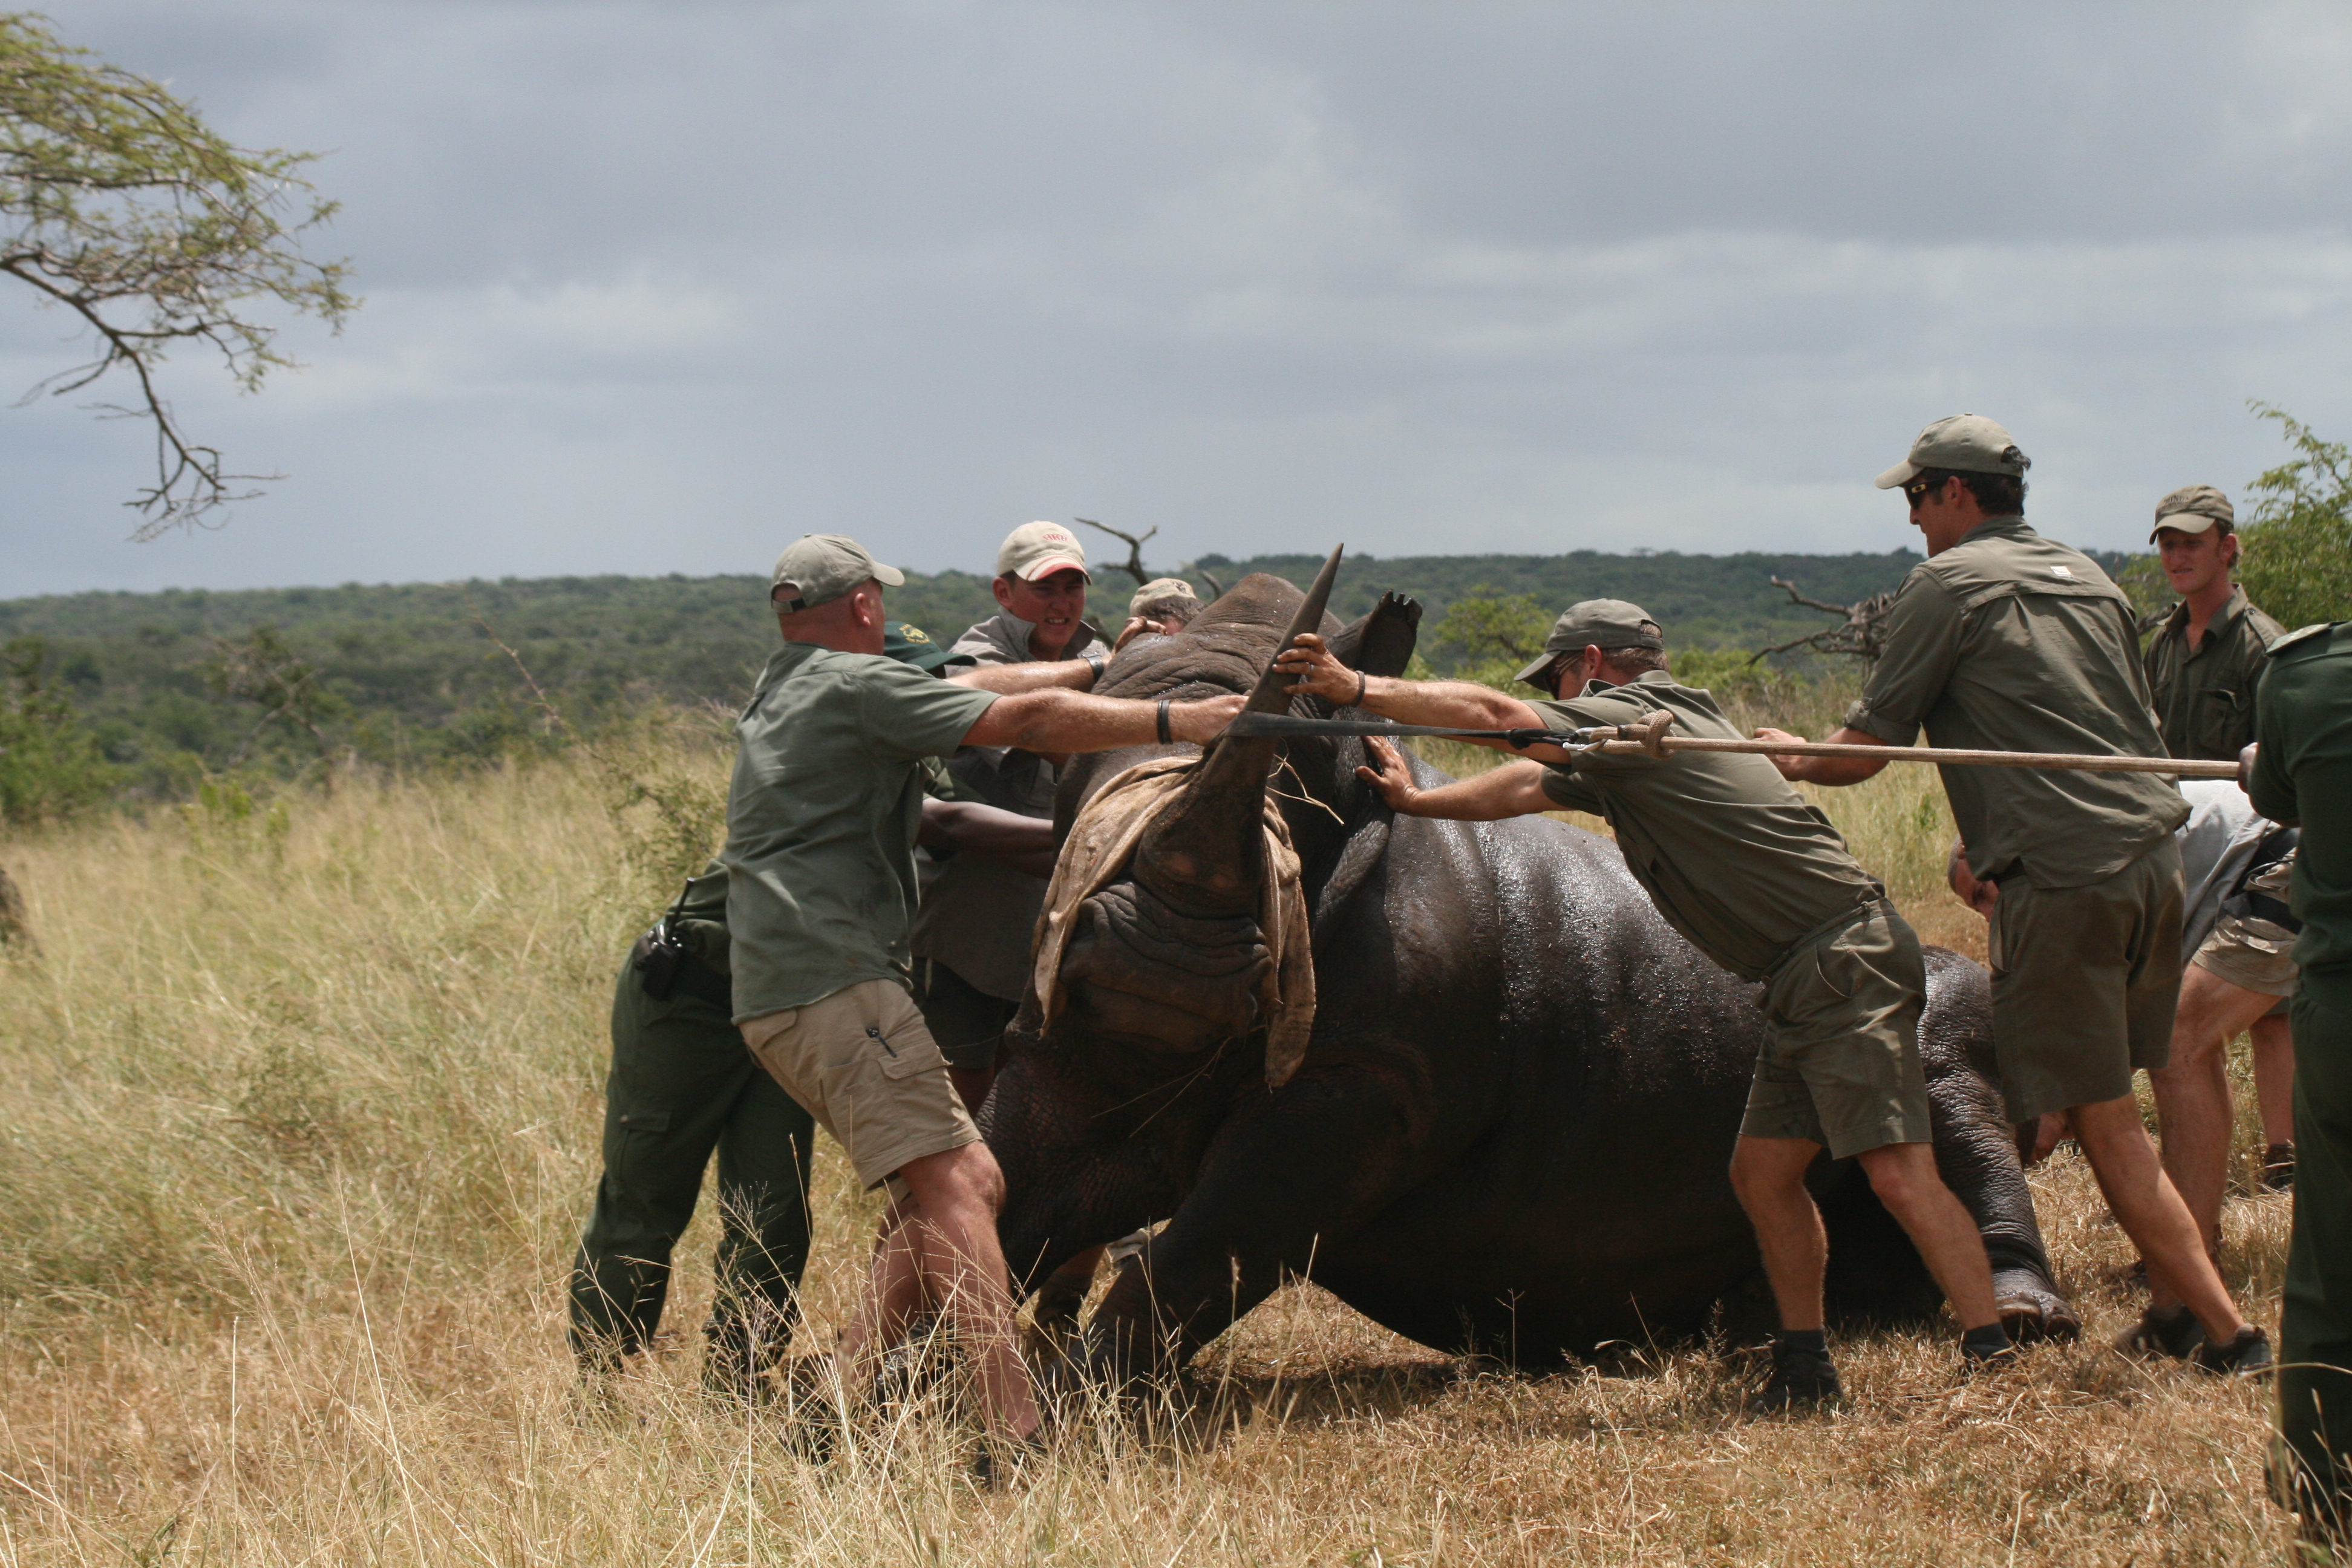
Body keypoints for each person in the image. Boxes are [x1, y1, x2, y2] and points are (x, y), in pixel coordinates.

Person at [1276, 600, 2017, 1413]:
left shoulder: (1639, 716)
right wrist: (1421, 804)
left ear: (1592, 664)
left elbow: (1496, 718)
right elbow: (1525, 781)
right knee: (1764, 1175)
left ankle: (1992, 1358)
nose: (1557, 697)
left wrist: (1355, 687)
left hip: (1842, 960)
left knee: (1899, 1172)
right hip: (1802, 975)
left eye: (1559, 682)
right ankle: (1805, 1365)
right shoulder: (1634, 749)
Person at [1760, 413, 2270, 1373]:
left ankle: (2229, 1335)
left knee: (2107, 1122)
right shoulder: (2093, 577)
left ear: (1956, 492)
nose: (1913, 518)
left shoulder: (1945, 586)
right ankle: (2172, 1312)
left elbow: (1863, 755)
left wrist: (1786, 757)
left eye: (1919, 496)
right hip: (2154, 861)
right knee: (2143, 1088)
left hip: (2066, 879)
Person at [724, 533, 1242, 1463]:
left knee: (943, 1187)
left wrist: (1102, 669)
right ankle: (1013, 1430)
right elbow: (1022, 719)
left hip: (789, 987)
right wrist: (1188, 720)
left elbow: (975, 688)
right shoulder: (854, 686)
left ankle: (837, 1401)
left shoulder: (791, 682)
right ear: (867, 606)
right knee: (967, 1181)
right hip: (835, 980)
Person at [566, 619, 1045, 1403]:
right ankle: (602, 1382)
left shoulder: (898, 759)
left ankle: (737, 1382)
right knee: (646, 1191)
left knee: (774, 1207)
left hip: (797, 1003)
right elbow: (950, 824)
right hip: (695, 993)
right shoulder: (832, 747)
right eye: (914, 680)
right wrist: (1104, 831)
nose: (928, 695)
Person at [1950, 782, 2302, 1354]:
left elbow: (2097, 1027)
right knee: (2182, 1045)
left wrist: (2054, 1104)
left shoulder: (2064, 857)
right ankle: (2186, 1270)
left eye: (1988, 893)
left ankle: (2185, 1281)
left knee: (2182, 1047)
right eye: (1977, 907)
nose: (1993, 914)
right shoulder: (2061, 848)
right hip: (2272, 867)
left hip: (2287, 860)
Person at [916, 523, 1109, 1107]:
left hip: (1051, 933)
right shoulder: (973, 660)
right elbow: (1052, 737)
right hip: (971, 931)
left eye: (1073, 587)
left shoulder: (1097, 652)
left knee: (1030, 1101)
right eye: (1044, 588)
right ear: (1004, 592)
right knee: (963, 1106)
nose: (1062, 604)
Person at [2249, 616, 2352, 1549]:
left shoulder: (2307, 676)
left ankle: (2326, 1488)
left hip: (2342, 1009)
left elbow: (2277, 793)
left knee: (2328, 1258)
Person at [2142, 485, 2285, 764]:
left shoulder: (2262, 647)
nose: (2177, 558)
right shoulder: (2164, 643)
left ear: (2226, 547)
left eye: (2192, 544)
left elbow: (2280, 763)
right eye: (2168, 546)